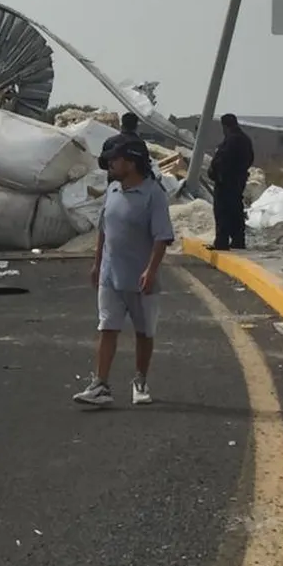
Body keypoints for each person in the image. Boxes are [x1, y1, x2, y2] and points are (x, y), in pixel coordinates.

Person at [74, 137, 175, 407]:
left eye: (115, 160)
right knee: (107, 327)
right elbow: (104, 230)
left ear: (132, 162)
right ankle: (100, 385)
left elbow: (162, 237)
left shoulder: (153, 195)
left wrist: (151, 271)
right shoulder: (114, 190)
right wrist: (97, 263)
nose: (110, 165)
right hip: (110, 276)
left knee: (144, 332)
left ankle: (140, 381)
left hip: (141, 280)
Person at [208, 113, 255, 250]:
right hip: (238, 181)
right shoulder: (245, 139)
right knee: (236, 211)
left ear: (225, 126)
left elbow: (222, 161)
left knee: (223, 212)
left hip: (226, 182)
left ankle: (221, 242)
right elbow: (250, 158)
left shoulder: (231, 140)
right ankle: (238, 240)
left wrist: (217, 173)